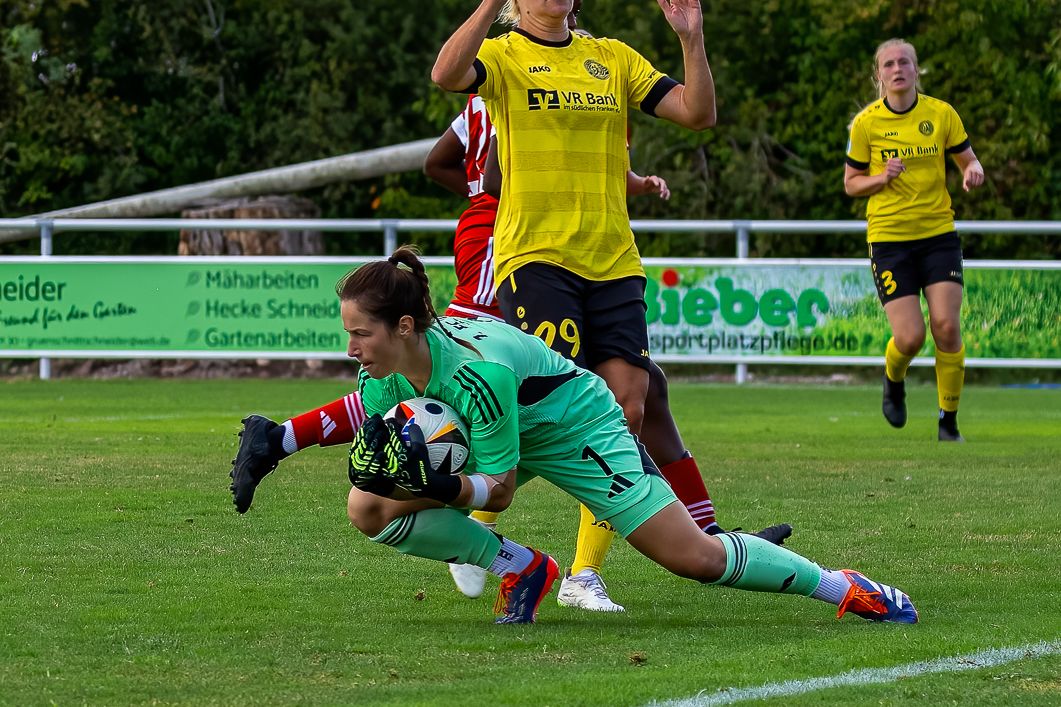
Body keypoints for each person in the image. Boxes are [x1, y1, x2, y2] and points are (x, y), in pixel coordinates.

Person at [285, 246, 918, 626]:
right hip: (506, 427)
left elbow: (498, 490)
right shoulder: (383, 375)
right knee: (368, 505)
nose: (351, 348)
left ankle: (845, 586)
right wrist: (326, 450)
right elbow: (391, 445)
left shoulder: (479, 374)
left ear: (402, 326)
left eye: (360, 334)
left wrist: (441, 484)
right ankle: (522, 568)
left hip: (577, 427)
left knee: (696, 559)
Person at [431, 0, 793, 611]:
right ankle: (480, 527)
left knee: (626, 408)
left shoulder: (613, 58)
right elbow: (445, 75)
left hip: (615, 262)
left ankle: (583, 574)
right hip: (537, 257)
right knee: (547, 413)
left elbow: (698, 113)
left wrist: (691, 38)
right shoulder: (504, 54)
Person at [844, 38, 985, 442]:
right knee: (910, 337)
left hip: (938, 235)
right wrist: (881, 177)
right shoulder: (866, 123)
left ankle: (948, 421)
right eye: (889, 64)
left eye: (904, 62)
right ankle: (893, 378)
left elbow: (968, 159)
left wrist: (972, 170)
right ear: (879, 74)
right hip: (890, 240)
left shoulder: (941, 114)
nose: (897, 69)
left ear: (916, 69)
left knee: (946, 326)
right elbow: (852, 184)